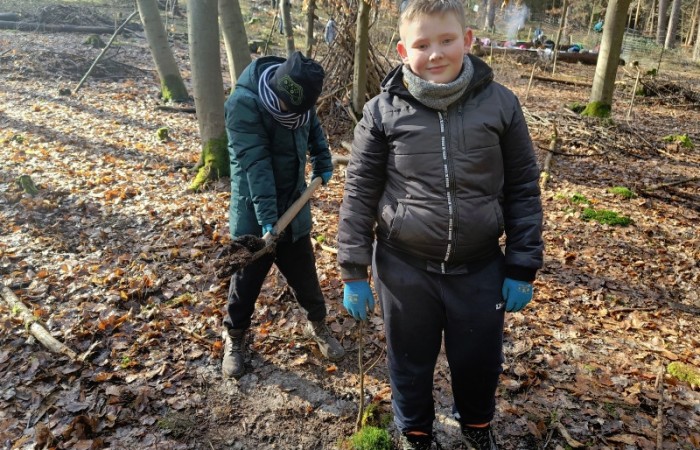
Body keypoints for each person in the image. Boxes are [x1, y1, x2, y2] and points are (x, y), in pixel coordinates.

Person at [336, 0, 543, 448]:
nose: (435, 53)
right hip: (403, 266)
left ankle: (476, 426)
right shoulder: (381, 111)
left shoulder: (502, 104)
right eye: (422, 44)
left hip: (480, 266)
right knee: (409, 360)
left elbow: (524, 187)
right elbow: (360, 192)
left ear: (467, 40)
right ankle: (415, 431)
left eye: (446, 40)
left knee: (479, 360)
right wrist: (353, 270)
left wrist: (522, 264)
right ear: (402, 51)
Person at [222, 51, 345, 379]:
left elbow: (313, 128)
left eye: (298, 110)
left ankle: (317, 325)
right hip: (253, 211)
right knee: (246, 283)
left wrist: (323, 161)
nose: (291, 113)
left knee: (305, 276)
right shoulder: (243, 104)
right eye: (285, 106)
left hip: (294, 204)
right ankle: (235, 336)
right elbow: (256, 165)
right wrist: (267, 221)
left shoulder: (302, 101)